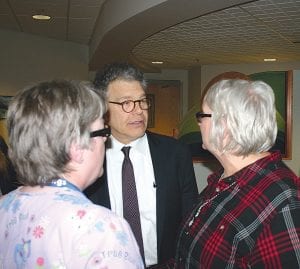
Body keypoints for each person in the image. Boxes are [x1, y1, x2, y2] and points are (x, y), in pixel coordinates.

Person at [0, 79, 144, 268]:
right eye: (102, 132)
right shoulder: (99, 228)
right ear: (76, 148)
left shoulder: (5, 206)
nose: (106, 141)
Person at [171, 79, 300, 268]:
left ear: (224, 127)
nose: (198, 123)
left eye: (202, 116)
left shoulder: (284, 200)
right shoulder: (223, 180)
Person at [84, 63, 198, 267]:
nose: (138, 111)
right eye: (126, 103)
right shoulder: (88, 158)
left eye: (142, 101)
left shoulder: (175, 153)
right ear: (103, 108)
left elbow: (190, 219)